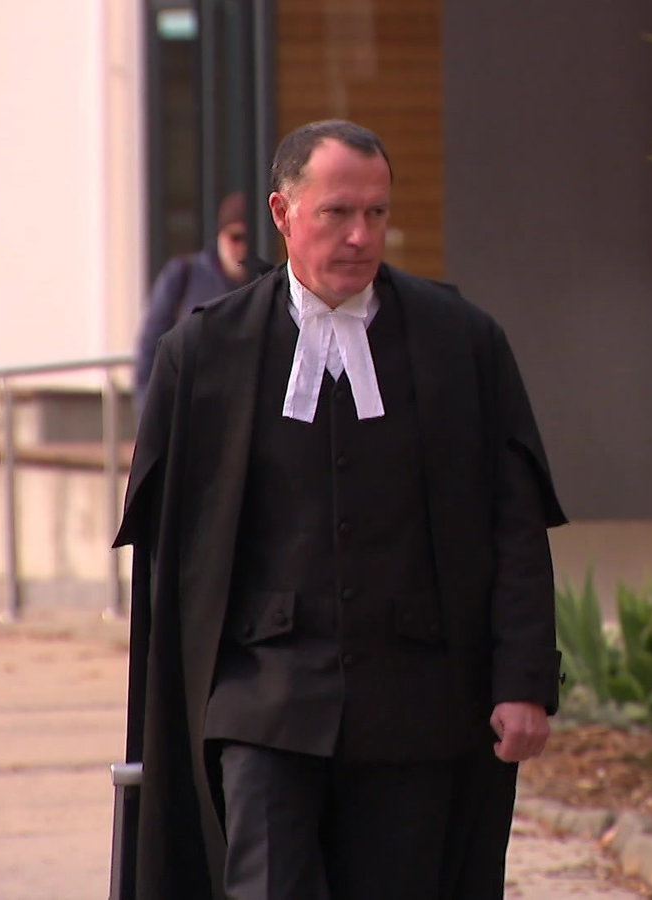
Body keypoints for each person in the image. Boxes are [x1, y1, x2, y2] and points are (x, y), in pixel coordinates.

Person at [114, 119, 566, 900]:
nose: (361, 236)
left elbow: (514, 524)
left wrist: (523, 678)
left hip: (418, 706)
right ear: (284, 214)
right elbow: (173, 559)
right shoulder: (205, 354)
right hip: (262, 703)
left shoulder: (463, 343)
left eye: (377, 215)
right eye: (337, 213)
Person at [133, 191, 257, 409]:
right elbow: (150, 348)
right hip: (188, 411)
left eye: (249, 239)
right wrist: (149, 417)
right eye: (235, 237)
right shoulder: (183, 275)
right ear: (220, 235)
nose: (242, 248)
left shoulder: (270, 284)